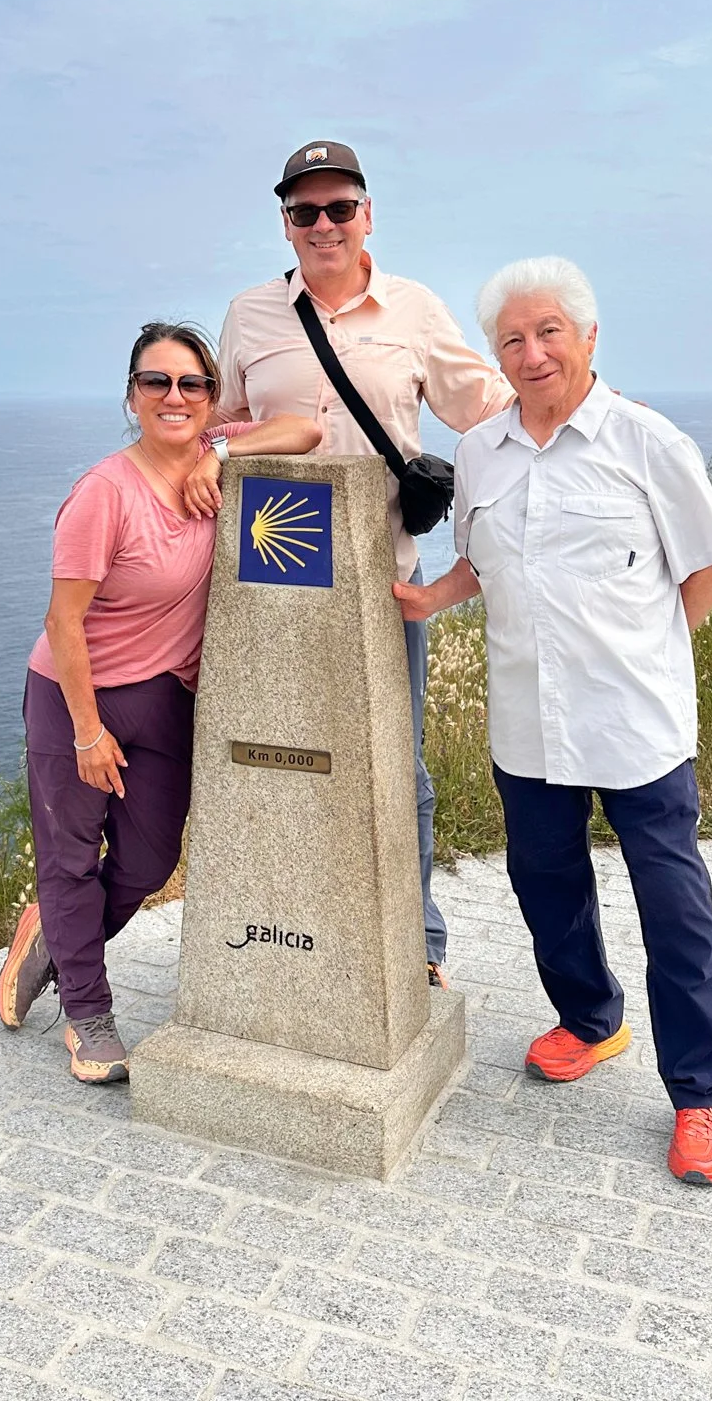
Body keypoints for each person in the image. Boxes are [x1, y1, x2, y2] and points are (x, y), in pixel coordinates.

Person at [395, 256, 712, 1185]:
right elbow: (480, 560)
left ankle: (702, 1094)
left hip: (637, 724)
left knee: (675, 908)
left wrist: (652, 655)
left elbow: (710, 567)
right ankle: (591, 1018)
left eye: (550, 331)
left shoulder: (646, 440)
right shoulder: (480, 452)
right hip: (526, 722)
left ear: (588, 337)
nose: (533, 351)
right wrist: (431, 600)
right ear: (496, 356)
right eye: (512, 338)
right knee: (544, 883)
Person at [211, 140, 513, 988]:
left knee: (396, 765)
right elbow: (220, 426)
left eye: (340, 208)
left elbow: (486, 410)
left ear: (367, 215)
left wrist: (587, 405)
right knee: (271, 756)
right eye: (304, 212)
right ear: (286, 225)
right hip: (269, 582)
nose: (324, 226)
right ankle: (288, 922)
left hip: (385, 580)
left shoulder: (413, 311)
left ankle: (415, 939)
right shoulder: (250, 314)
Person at [0, 321, 320, 1082]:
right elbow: (62, 621)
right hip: (76, 696)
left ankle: (51, 930)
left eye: (192, 384)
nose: (175, 397)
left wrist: (227, 451)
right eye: (156, 383)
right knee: (72, 861)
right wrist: (84, 732)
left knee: (148, 859)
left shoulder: (215, 452)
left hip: (162, 698)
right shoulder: (104, 494)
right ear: (133, 396)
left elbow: (306, 428)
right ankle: (87, 1011)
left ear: (211, 396)